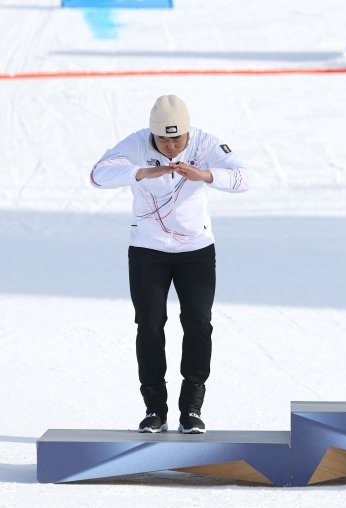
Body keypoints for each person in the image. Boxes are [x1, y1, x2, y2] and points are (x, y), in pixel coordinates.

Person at [90, 95, 249, 433]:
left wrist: (204, 175)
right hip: (148, 250)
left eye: (178, 138)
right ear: (152, 134)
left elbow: (243, 177)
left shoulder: (205, 143)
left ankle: (191, 409)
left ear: (189, 132)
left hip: (196, 251)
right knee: (149, 324)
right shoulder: (136, 143)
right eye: (163, 139)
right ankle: (154, 410)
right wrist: (142, 172)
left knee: (198, 324)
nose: (171, 146)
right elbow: (97, 174)